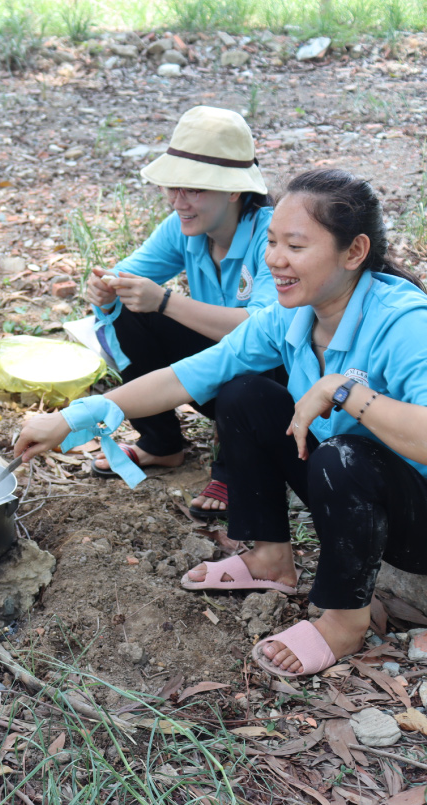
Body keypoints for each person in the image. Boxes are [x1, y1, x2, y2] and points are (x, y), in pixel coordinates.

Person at [17, 169, 427, 678]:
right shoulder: (292, 315)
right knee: (243, 392)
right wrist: (77, 416)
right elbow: (189, 375)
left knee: (345, 454)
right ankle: (270, 559)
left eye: (295, 245)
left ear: (353, 252)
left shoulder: (406, 321)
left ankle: (344, 622)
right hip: (354, 495)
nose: (273, 260)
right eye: (271, 242)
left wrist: (345, 391)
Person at [85, 106, 280, 520]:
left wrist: (167, 301)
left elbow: (265, 333)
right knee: (128, 308)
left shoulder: (273, 235)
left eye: (192, 190)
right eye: (172, 188)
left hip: (274, 385)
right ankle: (161, 443)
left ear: (233, 190)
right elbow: (126, 276)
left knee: (246, 366)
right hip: (214, 368)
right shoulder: (183, 226)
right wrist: (105, 290)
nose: (178, 201)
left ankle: (236, 465)